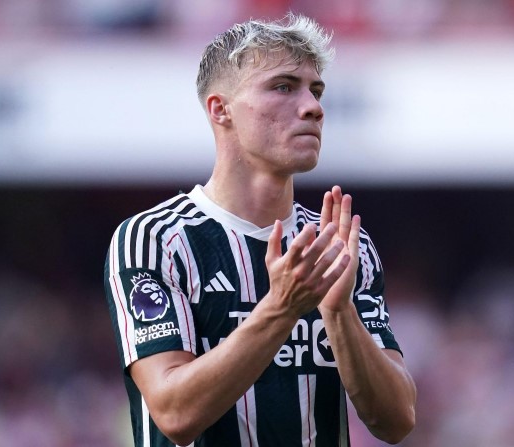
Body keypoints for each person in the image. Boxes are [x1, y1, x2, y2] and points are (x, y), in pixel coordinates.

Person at [104, 13, 416, 446]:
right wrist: (282, 307)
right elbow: (175, 414)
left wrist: (339, 312)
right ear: (221, 110)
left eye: (316, 90)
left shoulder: (342, 244)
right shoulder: (154, 240)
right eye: (284, 87)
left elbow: (397, 420)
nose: (313, 107)